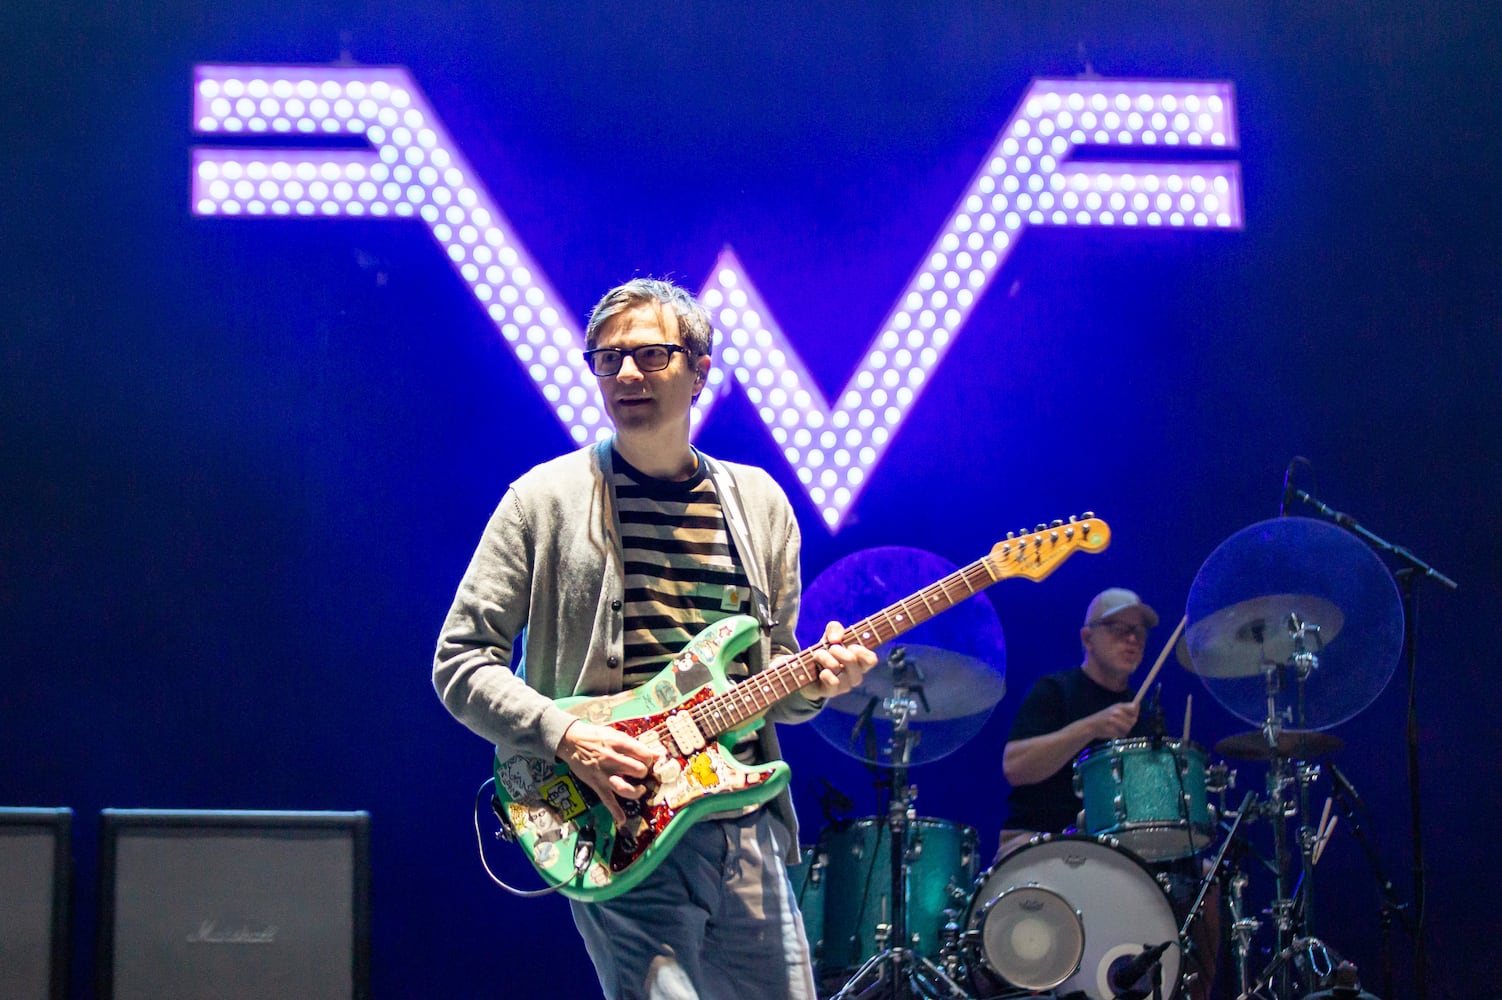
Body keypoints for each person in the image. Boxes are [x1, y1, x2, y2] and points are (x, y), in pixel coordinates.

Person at [433, 277, 875, 1000]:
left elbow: (780, 688)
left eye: (650, 355)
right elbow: (458, 663)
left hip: (744, 822)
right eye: (607, 360)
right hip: (615, 819)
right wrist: (567, 736)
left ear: (700, 370)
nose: (627, 375)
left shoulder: (762, 505)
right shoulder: (540, 501)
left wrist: (819, 683)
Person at [997, 587, 1217, 999]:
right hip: (1037, 842)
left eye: (1138, 632)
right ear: (1087, 638)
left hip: (1116, 855)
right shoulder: (1055, 691)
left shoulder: (1142, 716)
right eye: (1119, 629)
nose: (1132, 639)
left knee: (1202, 878)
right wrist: (1090, 727)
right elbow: (1015, 767)